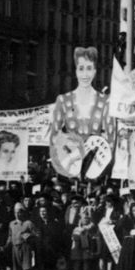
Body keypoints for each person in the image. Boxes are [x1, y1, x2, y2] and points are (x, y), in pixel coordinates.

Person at [49, 46, 113, 178]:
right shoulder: (63, 100)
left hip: (95, 167)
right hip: (70, 166)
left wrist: (99, 169)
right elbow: (54, 137)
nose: (85, 74)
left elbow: (111, 139)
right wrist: (65, 163)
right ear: (76, 71)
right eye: (81, 68)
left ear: (95, 71)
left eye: (89, 68)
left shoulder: (105, 101)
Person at [6, 202, 37, 270]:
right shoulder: (12, 224)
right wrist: (6, 246)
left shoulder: (29, 223)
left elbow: (37, 234)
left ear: (23, 212)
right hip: (15, 248)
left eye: (19, 212)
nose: (17, 214)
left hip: (25, 247)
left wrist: (30, 236)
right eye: (15, 212)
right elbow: (10, 237)